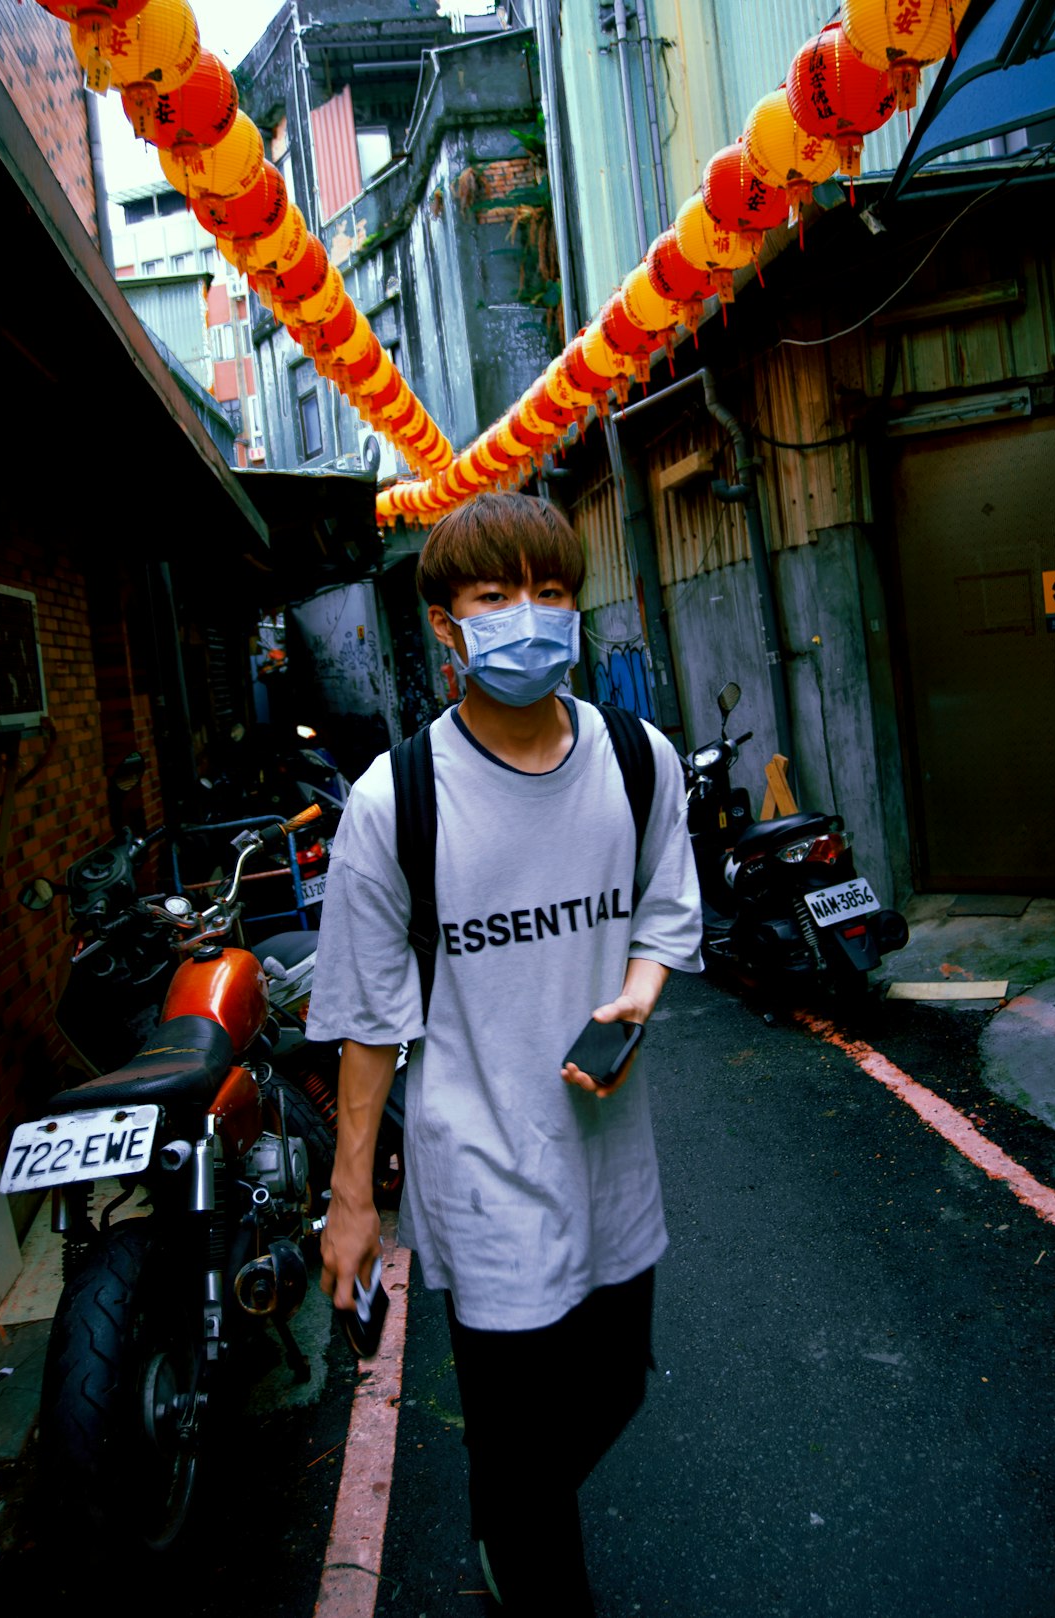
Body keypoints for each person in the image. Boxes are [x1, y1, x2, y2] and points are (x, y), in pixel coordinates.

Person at [308, 491, 702, 1614]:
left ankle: (512, 1507)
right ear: (446, 621)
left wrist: (633, 995)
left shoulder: (639, 759)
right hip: (477, 1167)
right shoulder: (398, 803)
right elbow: (372, 1020)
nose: (529, 617)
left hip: (609, 1153)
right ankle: (522, 1543)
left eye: (552, 590)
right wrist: (351, 1204)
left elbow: (668, 912)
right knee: (530, 1478)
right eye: (496, 595)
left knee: (616, 1386)